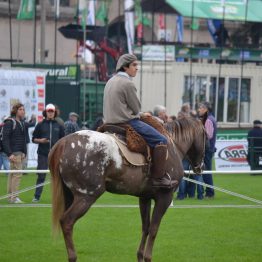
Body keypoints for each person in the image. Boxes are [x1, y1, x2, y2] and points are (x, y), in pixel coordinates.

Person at [103, 53, 177, 188]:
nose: (137, 68)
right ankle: (158, 178)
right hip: (127, 122)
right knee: (162, 140)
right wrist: (143, 114)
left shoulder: (110, 81)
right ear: (125, 67)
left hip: (108, 123)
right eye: (134, 65)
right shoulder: (127, 83)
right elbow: (136, 108)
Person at [32, 104, 65, 202]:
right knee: (41, 175)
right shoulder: (40, 125)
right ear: (45, 112)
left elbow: (63, 140)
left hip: (56, 155)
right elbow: (33, 139)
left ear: (55, 113)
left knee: (58, 177)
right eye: (48, 111)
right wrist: (41, 141)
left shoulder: (59, 125)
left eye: (52, 111)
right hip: (42, 154)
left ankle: (59, 198)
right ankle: (36, 197)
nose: (50, 113)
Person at [2, 103, 27, 203]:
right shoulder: (10, 122)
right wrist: (9, 154)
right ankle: (14, 197)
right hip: (14, 153)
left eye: (23, 109)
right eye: (20, 109)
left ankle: (10, 198)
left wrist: (24, 152)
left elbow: (23, 139)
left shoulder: (21, 122)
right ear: (15, 111)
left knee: (12, 175)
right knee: (17, 175)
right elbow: (5, 139)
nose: (23, 111)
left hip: (18, 153)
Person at [198, 101, 217, 199]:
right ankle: (209, 192)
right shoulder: (210, 118)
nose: (199, 110)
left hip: (207, 149)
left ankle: (210, 193)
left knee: (206, 172)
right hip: (209, 148)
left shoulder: (208, 120)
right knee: (206, 171)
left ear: (205, 109)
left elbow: (208, 135)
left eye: (200, 108)